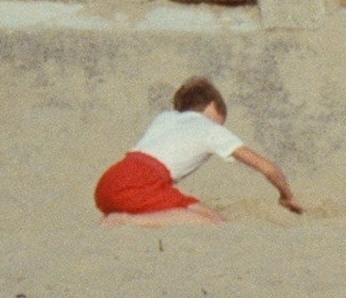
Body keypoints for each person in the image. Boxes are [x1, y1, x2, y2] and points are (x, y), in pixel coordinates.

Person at [93, 76, 301, 227]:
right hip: (141, 183)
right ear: (212, 105)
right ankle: (130, 221)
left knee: (204, 213)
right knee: (215, 223)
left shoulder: (166, 117)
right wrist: (287, 196)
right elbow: (268, 168)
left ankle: (119, 216)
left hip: (109, 181)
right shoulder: (211, 129)